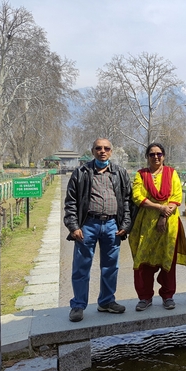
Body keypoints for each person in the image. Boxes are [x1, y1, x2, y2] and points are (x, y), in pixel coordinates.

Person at [64, 138, 132, 322]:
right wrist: (73, 226)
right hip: (87, 225)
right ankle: (78, 305)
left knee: (110, 266)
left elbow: (127, 201)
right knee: (81, 266)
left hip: (112, 226)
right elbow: (71, 202)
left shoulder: (120, 173)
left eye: (106, 148)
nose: (103, 151)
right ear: (92, 151)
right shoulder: (81, 173)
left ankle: (106, 302)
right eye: (98, 148)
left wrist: (125, 225)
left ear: (111, 151)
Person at [129, 143, 186, 311]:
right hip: (146, 223)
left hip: (169, 224)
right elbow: (137, 197)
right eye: (152, 154)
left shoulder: (172, 173)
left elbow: (176, 197)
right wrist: (159, 207)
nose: (156, 157)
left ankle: (168, 296)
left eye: (159, 154)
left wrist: (163, 215)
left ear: (164, 156)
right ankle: (145, 297)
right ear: (147, 156)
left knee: (167, 259)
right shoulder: (141, 175)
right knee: (144, 260)